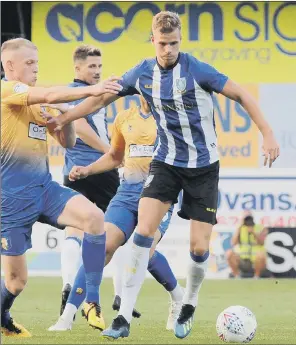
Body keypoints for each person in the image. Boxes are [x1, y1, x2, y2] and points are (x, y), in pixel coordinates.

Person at [43, 11, 280, 340]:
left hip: (203, 168)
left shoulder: (196, 69)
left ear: (179, 41)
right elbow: (98, 100)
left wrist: (267, 133)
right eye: (163, 43)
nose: (168, 49)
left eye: (174, 43)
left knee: (198, 248)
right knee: (141, 233)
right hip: (166, 163)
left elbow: (242, 95)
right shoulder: (141, 73)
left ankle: (189, 302)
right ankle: (123, 316)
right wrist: (65, 117)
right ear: (153, 40)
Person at [0, 38, 122, 338]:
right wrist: (91, 91)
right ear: (10, 66)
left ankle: (91, 300)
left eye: (37, 62)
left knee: (94, 219)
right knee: (16, 282)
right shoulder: (7, 91)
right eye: (29, 63)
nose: (35, 67)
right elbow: (51, 92)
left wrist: (65, 117)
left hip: (44, 189)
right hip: (11, 200)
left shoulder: (38, 102)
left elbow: (67, 141)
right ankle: (2, 314)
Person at [48, 95, 184, 332]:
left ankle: (178, 296)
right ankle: (67, 317)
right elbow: (115, 157)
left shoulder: (171, 120)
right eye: (145, 84)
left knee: (142, 252)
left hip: (159, 195)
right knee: (102, 247)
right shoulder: (124, 119)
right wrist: (88, 170)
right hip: (127, 194)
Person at [53, 45, 120, 316]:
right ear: (77, 68)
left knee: (76, 231)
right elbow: (78, 125)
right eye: (91, 66)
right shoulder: (74, 92)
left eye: (99, 67)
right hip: (96, 169)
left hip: (74, 169)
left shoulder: (87, 93)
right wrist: (110, 152)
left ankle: (69, 284)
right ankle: (118, 294)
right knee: (118, 229)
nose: (97, 71)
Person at [226, 214, 268, 279]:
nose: (248, 222)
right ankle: (237, 276)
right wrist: (239, 229)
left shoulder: (259, 227)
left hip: (255, 259)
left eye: (249, 219)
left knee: (261, 255)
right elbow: (233, 243)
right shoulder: (240, 228)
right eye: (246, 220)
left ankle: (256, 277)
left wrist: (253, 232)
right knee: (229, 253)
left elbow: (261, 243)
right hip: (242, 258)